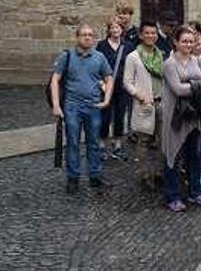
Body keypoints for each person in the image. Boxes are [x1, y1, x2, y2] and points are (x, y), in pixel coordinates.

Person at [50, 24, 114, 194]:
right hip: (72, 106)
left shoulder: (99, 57)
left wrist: (106, 99)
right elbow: (55, 80)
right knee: (72, 142)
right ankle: (73, 178)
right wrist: (56, 105)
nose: (87, 37)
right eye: (84, 35)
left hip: (93, 106)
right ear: (77, 37)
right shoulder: (67, 56)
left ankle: (95, 175)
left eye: (90, 35)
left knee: (94, 142)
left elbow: (109, 78)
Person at [160, 25, 201, 212]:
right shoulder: (169, 64)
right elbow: (178, 89)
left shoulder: (197, 60)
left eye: (191, 41)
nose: (188, 44)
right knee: (172, 156)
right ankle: (172, 196)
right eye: (185, 41)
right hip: (176, 116)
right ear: (176, 42)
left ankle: (195, 191)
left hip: (195, 115)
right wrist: (199, 84)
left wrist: (198, 84)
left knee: (195, 156)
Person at [123, 21, 165, 191]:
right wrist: (139, 96)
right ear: (141, 35)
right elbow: (127, 82)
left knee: (161, 140)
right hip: (144, 103)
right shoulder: (133, 57)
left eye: (153, 33)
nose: (151, 36)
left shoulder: (160, 55)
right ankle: (146, 175)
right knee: (144, 141)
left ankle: (159, 173)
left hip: (161, 102)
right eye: (147, 33)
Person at [96, 19, 133, 160]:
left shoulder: (128, 46)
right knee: (105, 118)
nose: (116, 30)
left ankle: (117, 145)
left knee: (119, 117)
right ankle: (102, 145)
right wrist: (101, 84)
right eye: (113, 28)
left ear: (122, 30)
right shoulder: (101, 46)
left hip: (122, 88)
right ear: (109, 30)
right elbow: (97, 67)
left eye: (118, 27)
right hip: (106, 87)